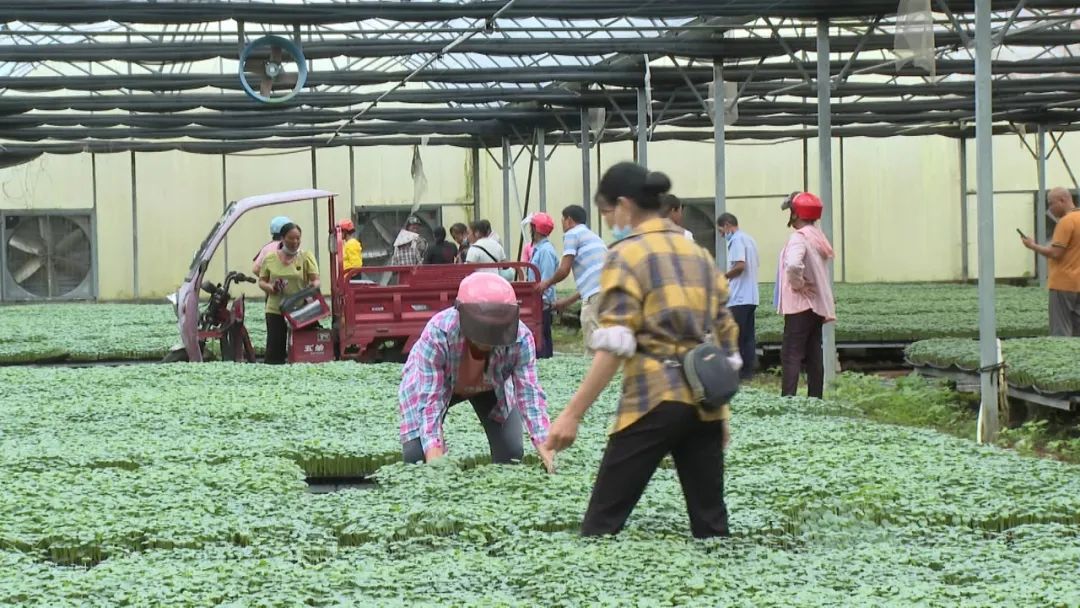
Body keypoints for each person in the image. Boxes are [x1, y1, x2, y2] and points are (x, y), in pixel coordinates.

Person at [544, 162, 738, 539]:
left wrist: (572, 414)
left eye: (607, 212)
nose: (610, 221)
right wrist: (722, 411)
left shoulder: (626, 254)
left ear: (624, 204)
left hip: (654, 398)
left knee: (601, 524)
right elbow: (726, 332)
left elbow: (616, 343)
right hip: (705, 404)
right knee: (712, 526)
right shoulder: (697, 253)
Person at [398, 272, 554, 472]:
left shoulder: (521, 339)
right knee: (416, 457)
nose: (488, 338)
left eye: (496, 329)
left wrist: (548, 452)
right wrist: (435, 461)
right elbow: (430, 403)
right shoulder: (438, 334)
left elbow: (529, 394)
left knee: (512, 452)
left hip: (490, 386)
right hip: (439, 385)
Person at [776, 192, 836, 399]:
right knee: (813, 353)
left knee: (791, 354)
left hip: (800, 305)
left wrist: (798, 284)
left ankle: (788, 399)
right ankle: (815, 398)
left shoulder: (799, 238)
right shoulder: (817, 237)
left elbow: (793, 264)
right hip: (815, 306)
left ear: (796, 214)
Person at [537, 205, 608, 354]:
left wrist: (546, 284)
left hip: (595, 296)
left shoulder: (572, 234)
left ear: (569, 220)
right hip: (607, 292)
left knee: (593, 344)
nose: (562, 223)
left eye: (562, 219)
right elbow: (590, 284)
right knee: (605, 342)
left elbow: (564, 270)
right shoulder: (593, 237)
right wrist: (566, 302)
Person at [257, 223, 320, 365]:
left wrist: (309, 291)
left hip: (300, 309)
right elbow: (262, 281)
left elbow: (316, 281)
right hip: (275, 308)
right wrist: (271, 287)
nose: (295, 242)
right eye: (291, 238)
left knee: (302, 349)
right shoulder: (270, 258)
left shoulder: (306, 257)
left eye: (298, 238)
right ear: (283, 239)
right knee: (275, 349)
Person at [1021, 187, 1080, 336]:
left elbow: (1056, 253)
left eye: (1051, 203)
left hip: (1063, 283)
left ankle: (1063, 359)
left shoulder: (1066, 222)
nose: (1050, 208)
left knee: (1061, 331)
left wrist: (1032, 245)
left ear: (1063, 200)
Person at [717, 213, 760, 380]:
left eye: (721, 231)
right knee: (748, 336)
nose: (722, 235)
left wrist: (724, 276)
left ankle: (739, 373)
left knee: (737, 336)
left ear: (727, 225)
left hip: (739, 297)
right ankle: (748, 371)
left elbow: (740, 265)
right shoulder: (750, 239)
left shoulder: (736, 240)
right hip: (751, 297)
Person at [526, 212, 559, 359]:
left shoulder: (545, 251)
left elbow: (546, 278)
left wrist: (543, 298)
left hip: (542, 302)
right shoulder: (539, 249)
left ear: (535, 229)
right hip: (538, 300)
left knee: (543, 340)